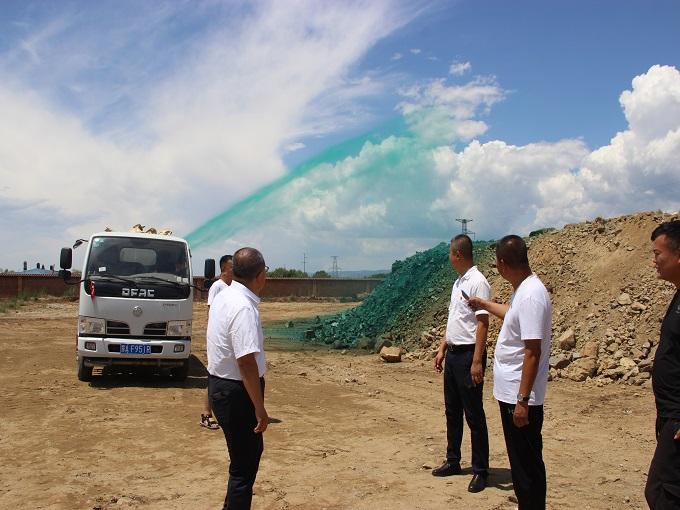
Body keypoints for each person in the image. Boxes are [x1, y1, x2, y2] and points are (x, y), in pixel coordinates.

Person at [468, 235, 551, 510]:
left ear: (502, 264)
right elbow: (512, 313)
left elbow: (532, 352)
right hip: (514, 394)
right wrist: (484, 305)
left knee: (526, 466)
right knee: (521, 465)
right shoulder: (524, 290)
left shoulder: (531, 295)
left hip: (520, 397)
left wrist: (522, 401)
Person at [207, 247, 268, 510]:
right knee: (244, 466)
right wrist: (260, 408)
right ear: (260, 275)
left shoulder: (225, 295)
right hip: (237, 392)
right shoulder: (244, 307)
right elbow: (246, 363)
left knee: (243, 459)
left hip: (220, 386)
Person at [432, 234, 491, 493]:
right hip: (454, 355)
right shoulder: (458, 283)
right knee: (452, 411)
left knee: (474, 414)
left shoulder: (478, 282)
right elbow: (454, 320)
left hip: (469, 356)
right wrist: (442, 348)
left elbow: (482, 323)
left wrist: (477, 361)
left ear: (458, 254)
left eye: (450, 253)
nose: (449, 257)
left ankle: (480, 470)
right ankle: (453, 460)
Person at [645, 220, 680, 509]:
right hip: (669, 414)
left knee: (662, 492)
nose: (654, 261)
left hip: (677, 418)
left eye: (658, 254)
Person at [200, 255, 234, 430]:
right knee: (213, 375)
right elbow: (211, 313)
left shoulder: (232, 287)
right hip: (218, 340)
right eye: (232, 268)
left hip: (227, 340)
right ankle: (206, 414)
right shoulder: (217, 287)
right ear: (225, 269)